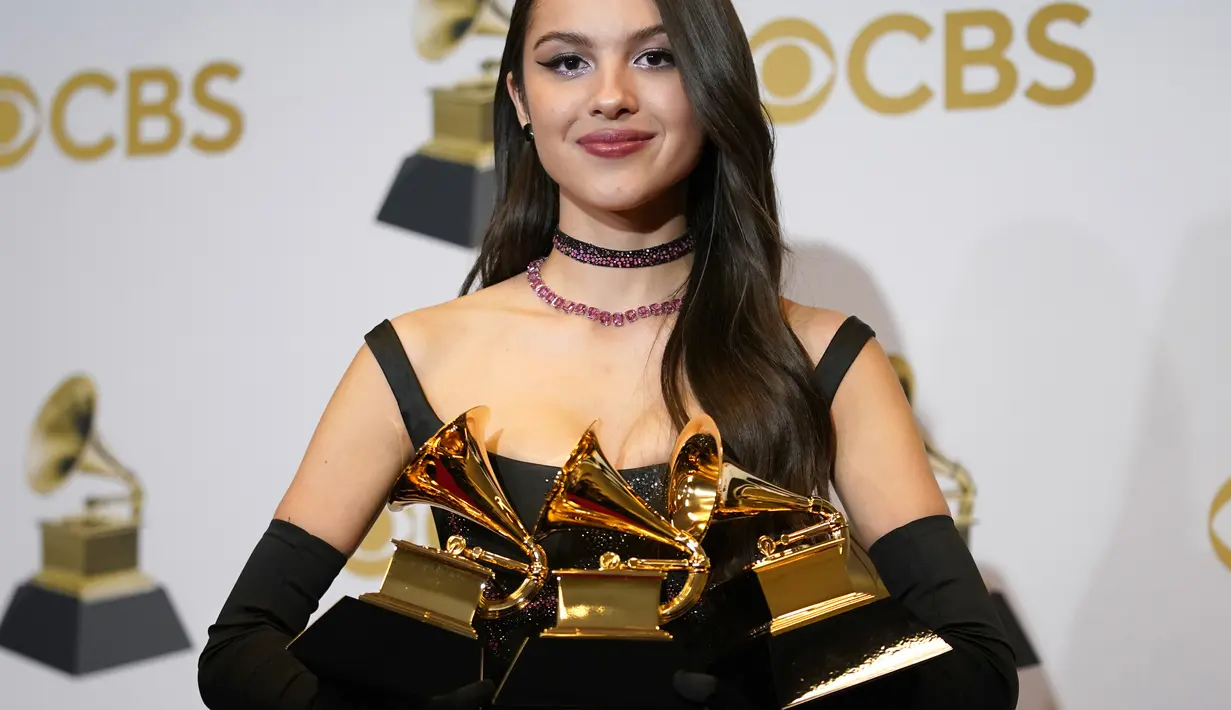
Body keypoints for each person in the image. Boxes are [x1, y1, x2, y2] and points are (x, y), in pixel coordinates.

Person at [197, 0, 1018, 708]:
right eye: (567, 62)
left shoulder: (822, 356)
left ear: (709, 84)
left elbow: (976, 668)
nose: (611, 96)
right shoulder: (414, 355)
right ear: (520, 98)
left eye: (655, 57)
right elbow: (241, 648)